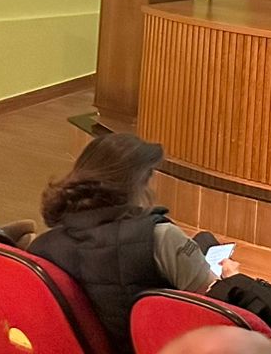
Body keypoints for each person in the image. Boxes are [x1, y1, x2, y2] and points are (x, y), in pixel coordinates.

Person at [30, 133, 243, 351]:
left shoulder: (43, 246)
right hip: (156, 345)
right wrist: (231, 279)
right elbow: (211, 303)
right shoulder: (160, 236)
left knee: (204, 240)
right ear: (140, 181)